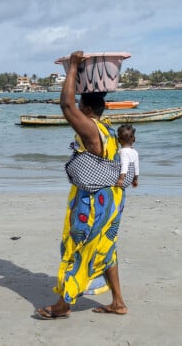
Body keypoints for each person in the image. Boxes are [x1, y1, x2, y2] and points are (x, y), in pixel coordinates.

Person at [35, 50, 128, 319]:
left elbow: (66, 106)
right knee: (105, 248)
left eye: (81, 110)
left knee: (78, 248)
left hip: (92, 203)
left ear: (86, 110)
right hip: (110, 202)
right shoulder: (108, 129)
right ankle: (118, 302)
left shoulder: (90, 130)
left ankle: (63, 306)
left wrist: (73, 67)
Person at [116, 124, 139, 189]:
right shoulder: (135, 152)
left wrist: (121, 179)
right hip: (130, 179)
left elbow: (124, 165)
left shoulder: (123, 152)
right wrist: (135, 179)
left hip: (123, 178)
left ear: (118, 140)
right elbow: (136, 167)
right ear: (134, 139)